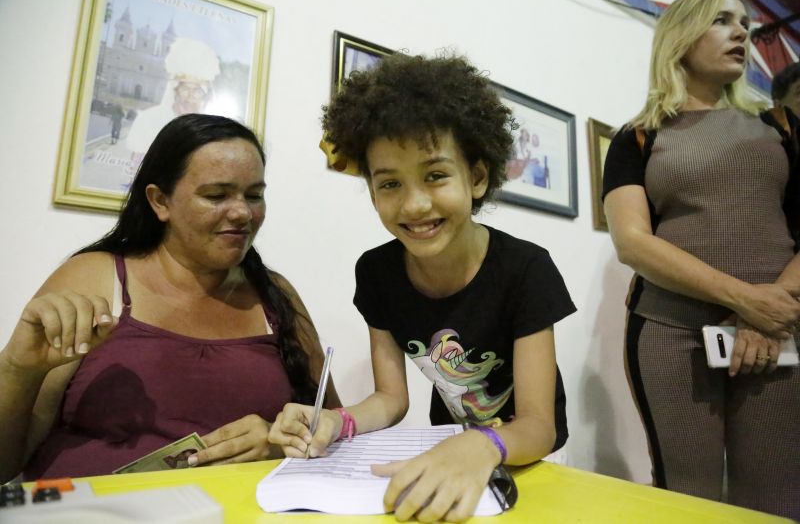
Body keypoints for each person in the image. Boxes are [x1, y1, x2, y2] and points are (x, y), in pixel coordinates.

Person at [270, 54, 576, 523]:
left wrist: (483, 445)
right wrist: (336, 420)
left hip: (529, 456)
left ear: (477, 177)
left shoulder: (526, 269)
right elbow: (391, 399)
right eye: (390, 183)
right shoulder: (376, 273)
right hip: (448, 446)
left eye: (435, 175)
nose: (414, 205)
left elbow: (539, 425)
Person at [0, 114, 339, 482]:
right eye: (216, 195)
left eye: (254, 195)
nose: (243, 212)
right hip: (86, 506)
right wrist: (17, 369)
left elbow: (333, 427)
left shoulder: (275, 296)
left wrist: (280, 444)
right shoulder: (93, 277)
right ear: (160, 201)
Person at [602, 0, 800, 518]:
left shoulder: (782, 127)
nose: (742, 33)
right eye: (722, 20)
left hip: (779, 329)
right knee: (687, 498)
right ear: (681, 37)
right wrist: (747, 301)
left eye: (745, 22)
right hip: (670, 333)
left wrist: (766, 313)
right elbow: (633, 243)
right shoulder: (635, 138)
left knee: (778, 494)